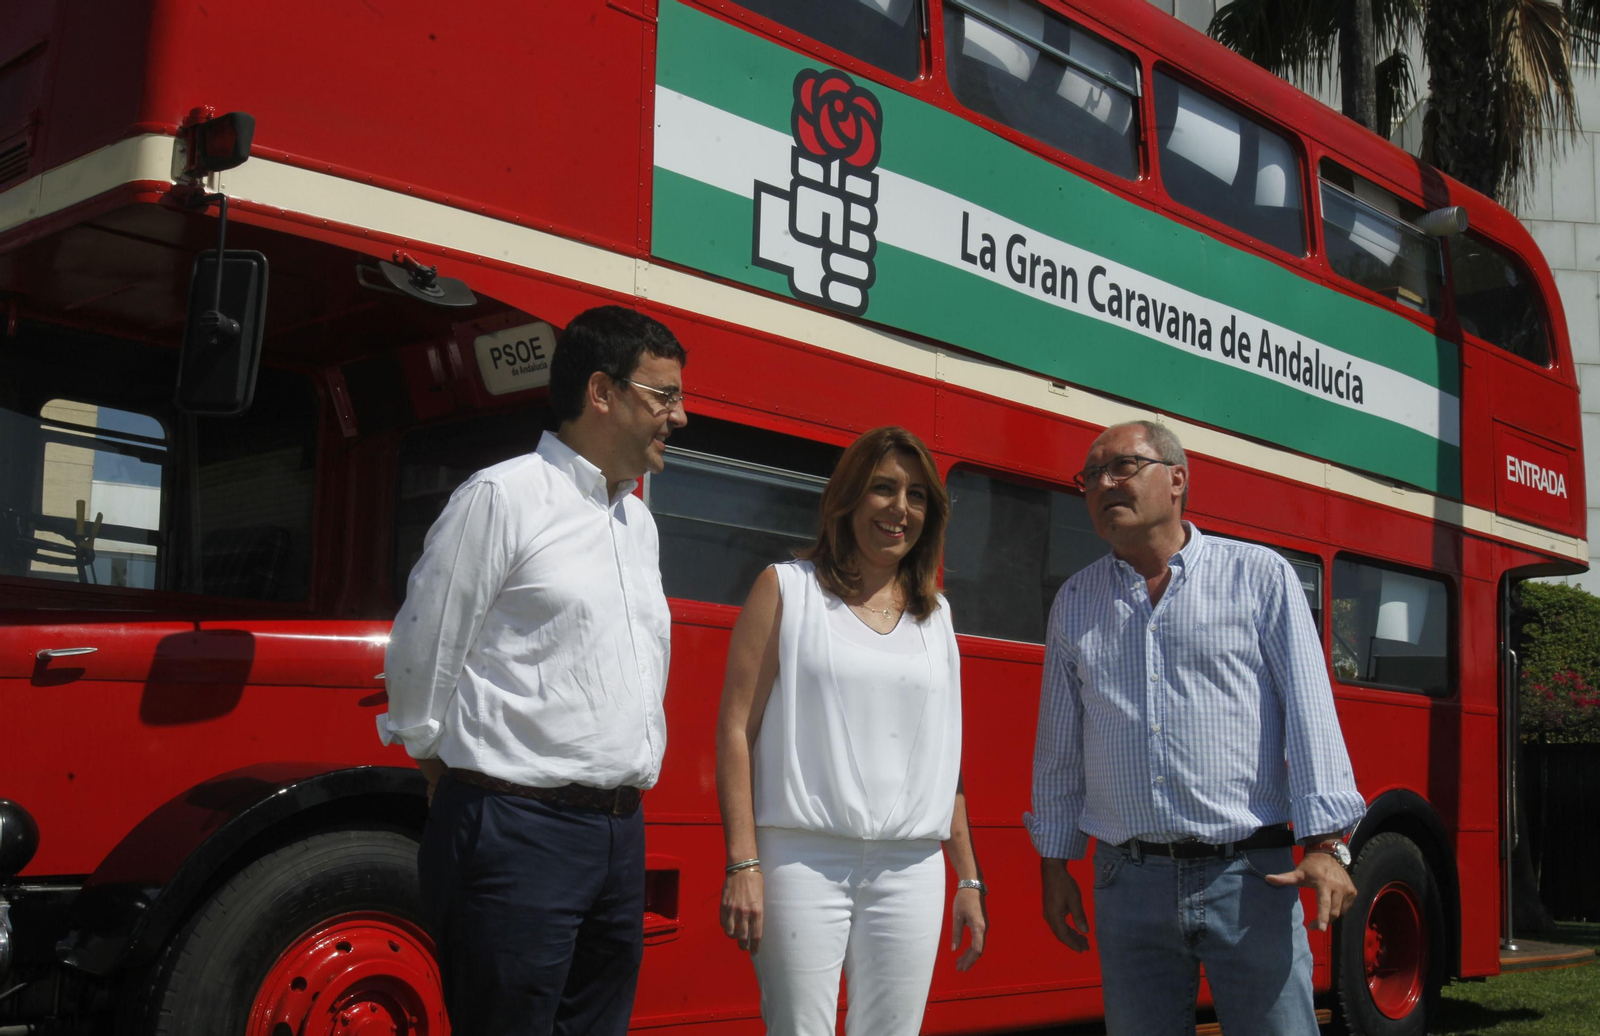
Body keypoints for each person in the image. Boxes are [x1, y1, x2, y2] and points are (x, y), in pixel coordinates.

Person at [377, 305, 688, 1036]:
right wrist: (436, 759)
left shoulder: (637, 523)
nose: (679, 417)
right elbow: (424, 645)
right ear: (602, 392)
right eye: (665, 396)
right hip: (516, 828)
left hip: (619, 835)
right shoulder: (502, 496)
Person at [1028, 419, 1367, 1036]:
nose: (1104, 484)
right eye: (1091, 476)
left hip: (1251, 877)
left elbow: (1310, 713)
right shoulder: (1075, 601)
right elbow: (1059, 749)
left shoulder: (1259, 577)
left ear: (1177, 479)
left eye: (1123, 467)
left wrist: (1325, 846)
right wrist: (1055, 865)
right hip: (1127, 882)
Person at [715, 426, 986, 1036]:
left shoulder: (937, 615)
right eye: (883, 488)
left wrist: (967, 875)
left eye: (917, 495)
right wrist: (742, 862)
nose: (900, 508)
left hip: (912, 867)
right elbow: (735, 730)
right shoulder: (786, 589)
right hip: (802, 858)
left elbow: (946, 761)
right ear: (848, 498)